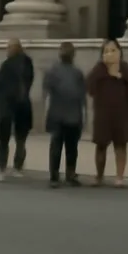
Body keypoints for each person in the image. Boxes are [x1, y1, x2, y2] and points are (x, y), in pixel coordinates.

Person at [86, 38, 128, 187]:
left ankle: (119, 177)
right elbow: (90, 87)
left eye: (113, 50)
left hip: (121, 114)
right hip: (103, 114)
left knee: (120, 146)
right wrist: (106, 73)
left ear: (120, 52)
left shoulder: (125, 68)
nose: (110, 54)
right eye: (106, 51)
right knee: (101, 145)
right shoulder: (99, 69)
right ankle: (99, 176)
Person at [42, 41, 86, 188]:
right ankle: (66, 174)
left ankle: (58, 175)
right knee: (68, 147)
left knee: (60, 146)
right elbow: (81, 96)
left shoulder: (55, 71)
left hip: (61, 114)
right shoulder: (74, 72)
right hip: (66, 114)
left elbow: (47, 95)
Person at [0, 38, 34, 181]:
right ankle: (14, 167)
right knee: (18, 139)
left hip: (12, 105)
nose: (7, 50)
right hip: (19, 105)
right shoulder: (24, 63)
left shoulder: (12, 64)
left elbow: (1, 87)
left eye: (9, 47)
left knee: (12, 139)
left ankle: (5, 168)